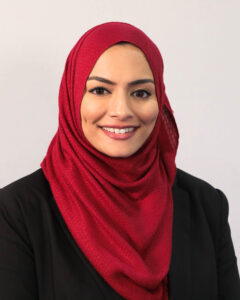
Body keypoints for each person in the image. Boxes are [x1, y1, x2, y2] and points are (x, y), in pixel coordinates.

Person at [0, 21, 239, 300]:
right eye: (100, 90)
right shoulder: (16, 213)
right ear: (72, 96)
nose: (121, 110)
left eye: (140, 93)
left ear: (159, 99)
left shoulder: (207, 206)